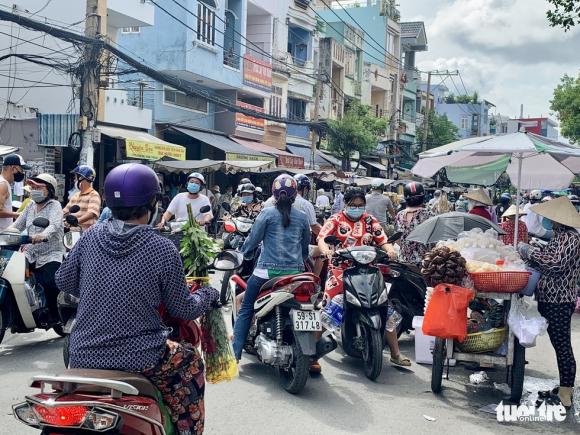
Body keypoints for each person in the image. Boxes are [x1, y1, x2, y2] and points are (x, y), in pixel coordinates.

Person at [55, 163, 218, 433]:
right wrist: (207, 294)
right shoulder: (162, 248)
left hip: (81, 354)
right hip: (141, 356)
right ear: (152, 203)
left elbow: (64, 281)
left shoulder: (91, 236)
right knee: (191, 362)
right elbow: (182, 308)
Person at [317, 188, 408, 368]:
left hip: (368, 270)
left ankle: (395, 354)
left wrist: (389, 250)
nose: (357, 208)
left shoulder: (369, 220)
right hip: (340, 271)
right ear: (346, 204)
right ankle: (311, 354)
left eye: (360, 205)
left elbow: (382, 239)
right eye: (353, 205)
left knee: (384, 306)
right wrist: (326, 250)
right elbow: (322, 239)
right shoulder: (335, 220)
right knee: (330, 310)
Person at [232, 174, 311, 361]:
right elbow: (305, 247)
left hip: (266, 273)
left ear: (274, 194)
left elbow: (252, 240)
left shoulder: (267, 213)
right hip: (295, 275)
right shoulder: (302, 217)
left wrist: (245, 254)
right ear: (295, 195)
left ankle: (235, 354)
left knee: (245, 308)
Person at [517, 197, 580, 409]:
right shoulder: (559, 236)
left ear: (559, 220)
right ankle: (564, 385)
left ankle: (566, 391)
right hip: (548, 298)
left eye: (551, 218)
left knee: (562, 345)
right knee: (557, 343)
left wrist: (529, 251)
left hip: (560, 300)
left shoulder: (571, 238)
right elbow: (550, 256)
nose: (547, 221)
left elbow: (555, 265)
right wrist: (536, 250)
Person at [9, 174, 64, 324]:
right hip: (30, 251)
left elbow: (54, 225)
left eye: (39, 187)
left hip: (51, 253)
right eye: (33, 187)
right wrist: (5, 235)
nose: (34, 190)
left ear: (50, 190)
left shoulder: (55, 206)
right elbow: (16, 226)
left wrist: (42, 235)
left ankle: (54, 315)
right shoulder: (30, 206)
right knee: (13, 276)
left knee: (49, 282)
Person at [395, 182, 434, 265]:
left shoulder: (399, 215)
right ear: (423, 197)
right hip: (424, 263)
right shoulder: (429, 214)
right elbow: (434, 240)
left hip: (403, 261)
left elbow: (397, 240)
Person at [63, 165, 101, 230]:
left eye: (75, 178)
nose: (74, 180)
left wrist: (76, 221)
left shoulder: (93, 195)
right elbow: (65, 211)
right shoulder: (76, 195)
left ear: (81, 178)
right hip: (72, 232)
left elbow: (91, 213)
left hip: (87, 233)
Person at [0, 154, 29, 230]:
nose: (22, 172)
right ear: (13, 168)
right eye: (21, 169)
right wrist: (17, 214)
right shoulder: (3, 184)